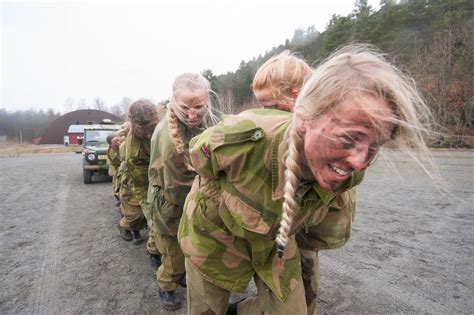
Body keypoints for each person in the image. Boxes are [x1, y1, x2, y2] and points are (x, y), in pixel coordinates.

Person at [178, 44, 435, 314]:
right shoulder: (242, 137)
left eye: (374, 146)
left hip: (275, 240)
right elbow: (199, 158)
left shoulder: (347, 168)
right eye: (348, 138)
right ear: (305, 116)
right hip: (215, 235)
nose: (360, 161)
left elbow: (325, 231)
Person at [253, 50, 356, 314]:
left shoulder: (320, 132)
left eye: (268, 107)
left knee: (304, 277)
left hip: (309, 225)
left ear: (296, 98)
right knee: (292, 282)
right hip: (301, 223)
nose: (263, 114)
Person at [147, 73, 218, 310]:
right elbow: (180, 189)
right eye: (185, 107)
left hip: (187, 200)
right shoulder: (169, 141)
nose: (193, 114)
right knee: (173, 258)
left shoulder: (200, 121)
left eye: (199, 106)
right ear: (173, 101)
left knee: (190, 250)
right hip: (170, 205)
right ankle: (166, 286)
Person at [117, 100, 159, 245]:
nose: (149, 134)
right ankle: (126, 226)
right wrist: (152, 213)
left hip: (161, 169)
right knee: (140, 215)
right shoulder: (133, 152)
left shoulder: (167, 119)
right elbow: (143, 187)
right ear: (134, 125)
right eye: (144, 130)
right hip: (138, 178)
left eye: (152, 128)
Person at [106, 132, 122, 206]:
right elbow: (120, 160)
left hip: (120, 168)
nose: (118, 142)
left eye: (119, 140)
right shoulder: (112, 152)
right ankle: (118, 198)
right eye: (115, 142)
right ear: (110, 144)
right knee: (117, 183)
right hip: (116, 168)